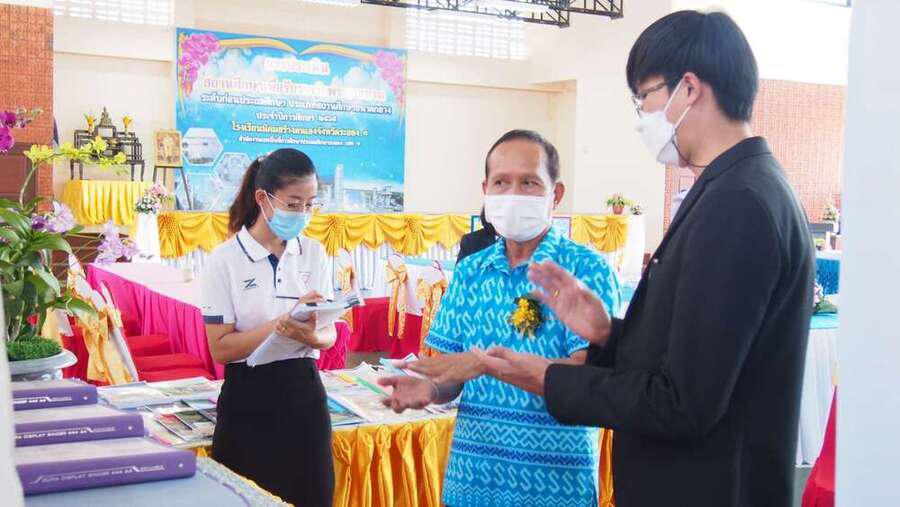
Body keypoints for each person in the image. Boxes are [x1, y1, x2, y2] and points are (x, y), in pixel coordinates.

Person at [472, 11, 815, 507]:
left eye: (645, 97)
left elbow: (684, 402)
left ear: (688, 88)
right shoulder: (734, 187)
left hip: (706, 487)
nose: (642, 118)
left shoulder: (739, 203)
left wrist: (548, 378)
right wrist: (610, 334)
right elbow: (699, 353)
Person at [380, 130, 621, 507]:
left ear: (555, 194)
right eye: (501, 183)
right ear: (486, 191)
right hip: (472, 481)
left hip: (556, 486)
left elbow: (587, 377)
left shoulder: (585, 270)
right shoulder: (470, 270)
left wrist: (488, 364)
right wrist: (431, 388)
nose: (513, 195)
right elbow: (452, 370)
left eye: (529, 183)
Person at [200, 148, 335, 506]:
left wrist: (313, 336)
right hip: (248, 399)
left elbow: (330, 333)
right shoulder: (225, 260)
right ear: (263, 198)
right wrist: (278, 326)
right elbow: (220, 348)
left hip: (304, 397)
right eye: (293, 204)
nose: (303, 214)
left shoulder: (314, 253)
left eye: (310, 204)